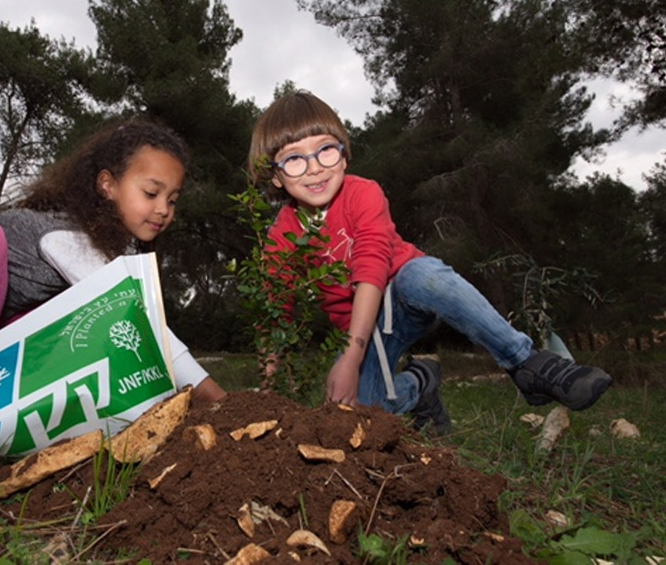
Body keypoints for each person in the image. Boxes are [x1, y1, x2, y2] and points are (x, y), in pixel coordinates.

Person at [247, 90, 611, 434]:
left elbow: (373, 265)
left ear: (343, 154)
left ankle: (528, 363)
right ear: (276, 176)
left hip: (409, 296)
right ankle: (421, 385)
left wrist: (349, 357)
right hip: (367, 330)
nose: (313, 168)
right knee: (363, 408)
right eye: (294, 158)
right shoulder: (283, 237)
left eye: (325, 149)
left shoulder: (363, 193)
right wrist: (268, 386)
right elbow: (275, 310)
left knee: (420, 274)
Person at [0, 119, 225, 403]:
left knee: (83, 322)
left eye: (173, 199)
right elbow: (149, 328)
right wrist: (218, 399)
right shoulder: (69, 237)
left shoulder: (120, 249)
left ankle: (13, 400)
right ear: (107, 185)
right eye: (151, 193)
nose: (163, 209)